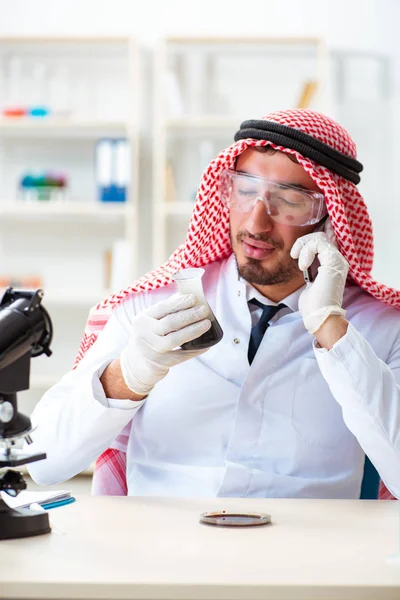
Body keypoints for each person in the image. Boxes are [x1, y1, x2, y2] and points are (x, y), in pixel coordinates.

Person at [27, 109, 400, 501]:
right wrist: (130, 374)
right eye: (245, 190)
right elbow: (45, 463)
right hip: (157, 552)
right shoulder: (152, 307)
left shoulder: (381, 327)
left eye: (289, 200)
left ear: (329, 218)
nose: (257, 222)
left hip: (306, 556)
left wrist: (332, 330)